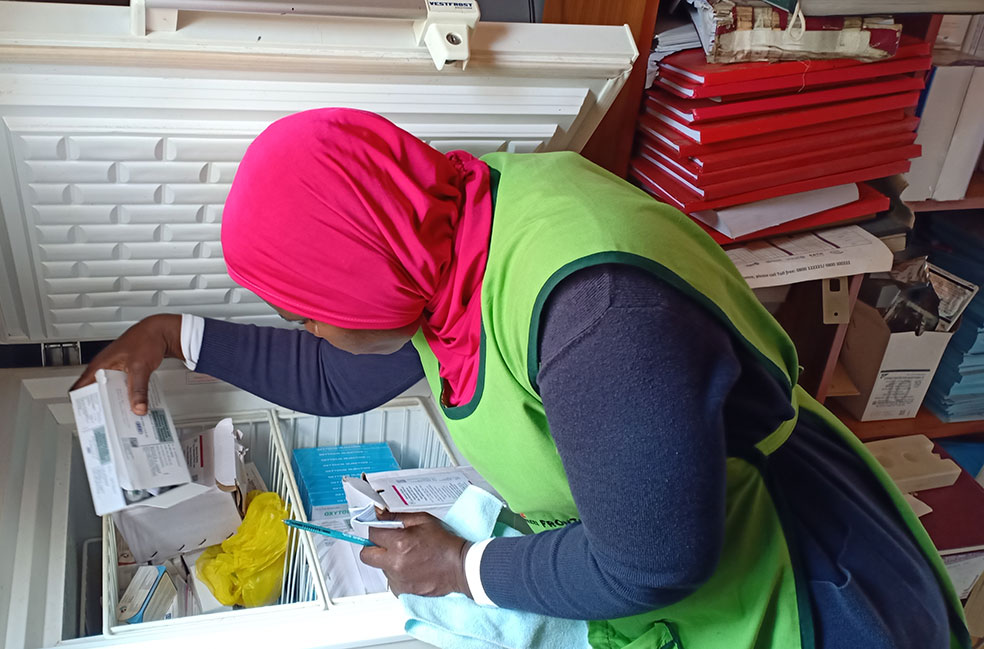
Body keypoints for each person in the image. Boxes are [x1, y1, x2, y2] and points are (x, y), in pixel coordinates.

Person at [72, 108, 966, 649]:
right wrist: (172, 335)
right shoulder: (441, 226)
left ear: (362, 272)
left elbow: (652, 562)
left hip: (798, 589)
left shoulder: (595, 315)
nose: (307, 324)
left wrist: (463, 565)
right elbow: (339, 374)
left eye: (308, 304)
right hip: (671, 557)